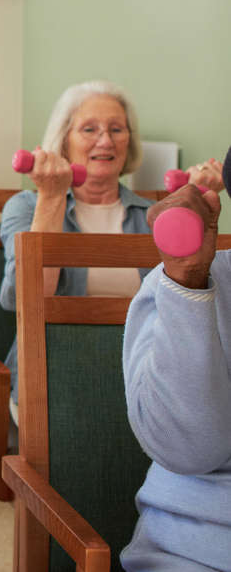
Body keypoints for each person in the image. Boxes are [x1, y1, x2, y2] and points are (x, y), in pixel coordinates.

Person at [0, 80, 224, 417]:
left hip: (148, 373)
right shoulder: (26, 207)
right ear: (64, 139)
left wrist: (197, 206)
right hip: (55, 374)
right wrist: (52, 197)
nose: (105, 141)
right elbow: (23, 298)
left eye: (117, 129)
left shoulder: (155, 214)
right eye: (89, 129)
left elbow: (191, 299)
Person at [121, 166, 231, 571]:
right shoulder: (198, 278)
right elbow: (188, 449)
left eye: (116, 130)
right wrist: (187, 281)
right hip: (202, 550)